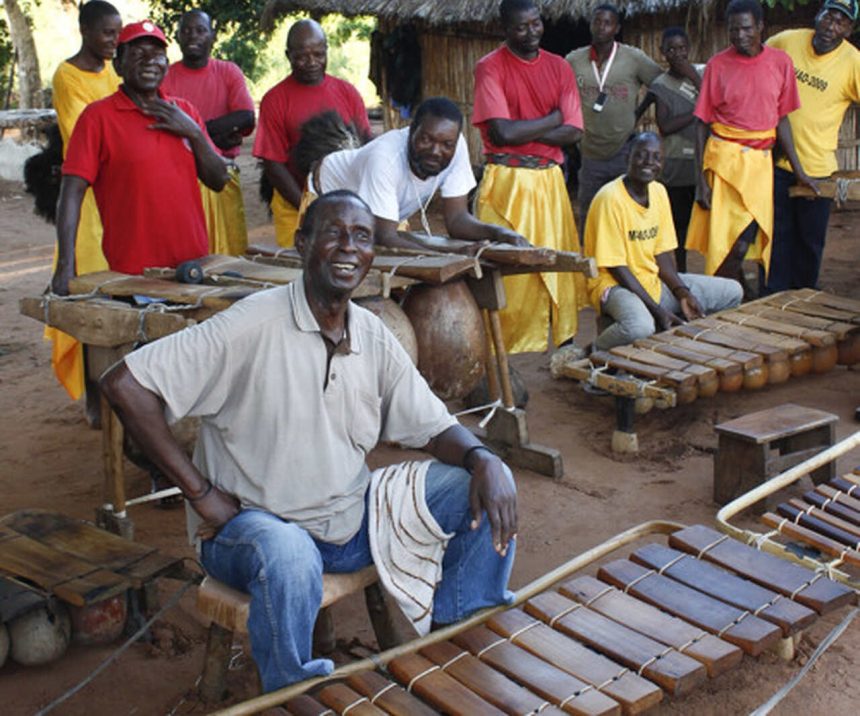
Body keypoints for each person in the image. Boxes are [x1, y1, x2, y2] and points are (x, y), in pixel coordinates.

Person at [98, 190, 518, 692]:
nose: (348, 247)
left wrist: (483, 458)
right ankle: (295, 692)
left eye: (361, 236)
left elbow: (432, 426)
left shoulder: (370, 333)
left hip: (351, 520)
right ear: (302, 244)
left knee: (482, 486)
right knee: (289, 552)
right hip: (251, 531)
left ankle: (457, 641)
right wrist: (201, 494)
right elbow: (124, 384)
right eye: (333, 233)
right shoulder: (251, 324)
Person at [50, 20, 228, 296]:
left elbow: (218, 180)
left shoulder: (186, 112)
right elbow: (71, 192)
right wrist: (65, 266)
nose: (149, 61)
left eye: (157, 54)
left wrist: (194, 133)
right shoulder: (98, 118)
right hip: (132, 274)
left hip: (192, 268)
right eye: (137, 53)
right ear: (118, 65)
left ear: (166, 65)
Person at [470, 0, 583, 354]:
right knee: (507, 267)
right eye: (521, 27)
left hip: (549, 180)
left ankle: (565, 349)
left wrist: (526, 131)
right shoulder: (489, 68)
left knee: (557, 261)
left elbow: (575, 131)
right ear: (505, 29)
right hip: (508, 180)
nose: (531, 32)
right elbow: (502, 133)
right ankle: (499, 355)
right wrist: (552, 119)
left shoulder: (560, 67)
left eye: (536, 23)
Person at [686, 0, 818, 292]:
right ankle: (738, 300)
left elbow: (781, 119)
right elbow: (700, 123)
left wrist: (799, 170)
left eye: (746, 29)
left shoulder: (780, 62)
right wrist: (700, 182)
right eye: (734, 30)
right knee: (727, 244)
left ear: (761, 27)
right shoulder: (717, 65)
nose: (740, 36)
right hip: (724, 162)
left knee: (750, 239)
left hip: (759, 164)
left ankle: (737, 298)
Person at [585, 133, 742, 351]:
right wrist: (657, 311)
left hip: (653, 283)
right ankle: (591, 352)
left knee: (732, 291)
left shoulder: (658, 192)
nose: (650, 162)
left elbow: (662, 255)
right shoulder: (610, 199)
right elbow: (617, 267)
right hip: (615, 286)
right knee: (640, 326)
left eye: (656, 157)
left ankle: (683, 351)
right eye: (641, 155)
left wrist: (683, 293)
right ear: (627, 158)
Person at [313, 96, 527, 250]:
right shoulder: (385, 158)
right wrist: (452, 253)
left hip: (383, 217)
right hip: (326, 197)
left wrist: (500, 234)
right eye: (426, 139)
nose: (436, 151)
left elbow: (457, 220)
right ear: (411, 130)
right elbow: (385, 237)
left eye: (446, 144)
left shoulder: (457, 147)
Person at [48, 0, 122, 410]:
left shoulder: (112, 69)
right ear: (85, 30)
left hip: (115, 195)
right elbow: (87, 134)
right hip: (87, 196)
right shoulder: (66, 75)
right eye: (107, 33)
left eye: (117, 32)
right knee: (91, 297)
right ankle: (95, 400)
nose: (114, 40)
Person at [763, 0, 860, 293]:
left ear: (849, 29)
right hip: (775, 162)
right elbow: (757, 64)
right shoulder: (787, 41)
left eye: (840, 22)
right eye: (828, 17)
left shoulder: (853, 62)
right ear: (817, 16)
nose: (831, 26)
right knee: (776, 237)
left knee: (809, 242)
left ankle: (803, 299)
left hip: (817, 170)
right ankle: (770, 302)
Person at [254, 19, 371, 247]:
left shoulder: (347, 93)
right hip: (295, 201)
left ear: (327, 51)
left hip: (346, 200)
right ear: (288, 55)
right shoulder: (275, 99)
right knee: (301, 268)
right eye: (302, 56)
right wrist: (308, 207)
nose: (311, 62)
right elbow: (273, 164)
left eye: (319, 54)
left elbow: (364, 149)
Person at [162, 9, 256, 256]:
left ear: (213, 36)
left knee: (230, 253)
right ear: (178, 37)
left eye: (200, 30)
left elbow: (246, 117)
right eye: (186, 30)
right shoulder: (164, 77)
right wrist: (216, 135)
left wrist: (195, 132)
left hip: (223, 173)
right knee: (185, 251)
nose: (193, 36)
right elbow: (161, 128)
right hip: (178, 178)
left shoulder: (228, 72)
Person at [566, 4, 661, 232]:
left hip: (623, 151)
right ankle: (589, 262)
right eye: (597, 22)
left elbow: (660, 85)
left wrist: (638, 112)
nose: (601, 27)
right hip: (589, 153)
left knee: (624, 210)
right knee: (590, 213)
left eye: (608, 23)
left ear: (617, 28)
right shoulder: (574, 60)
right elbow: (560, 94)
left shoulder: (633, 58)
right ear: (591, 25)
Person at [637, 27, 702, 273]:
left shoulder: (701, 76)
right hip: (676, 164)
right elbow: (665, 125)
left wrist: (696, 79)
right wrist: (698, 111)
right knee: (679, 222)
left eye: (682, 48)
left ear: (689, 48)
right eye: (671, 49)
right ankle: (681, 270)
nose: (677, 54)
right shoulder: (661, 85)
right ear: (663, 52)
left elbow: (717, 103)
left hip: (703, 159)